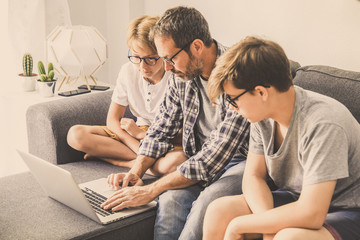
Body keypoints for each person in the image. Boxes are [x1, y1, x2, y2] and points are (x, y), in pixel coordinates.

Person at [101, 6, 250, 240]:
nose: (167, 67)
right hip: (198, 157)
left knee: (208, 204)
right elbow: (161, 127)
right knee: (170, 200)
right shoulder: (182, 74)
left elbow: (216, 155)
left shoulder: (238, 72)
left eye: (170, 58)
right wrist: (136, 171)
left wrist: (151, 189)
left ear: (197, 46)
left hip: (241, 162)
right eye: (163, 59)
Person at [203, 36, 360, 240]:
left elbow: (312, 213)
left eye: (233, 99)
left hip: (348, 210)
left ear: (261, 92)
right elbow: (253, 177)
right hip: (300, 200)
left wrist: (238, 226)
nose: (232, 107)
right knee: (219, 211)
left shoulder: (323, 123)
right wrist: (267, 225)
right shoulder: (261, 117)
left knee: (288, 237)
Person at [67, 15, 184, 176]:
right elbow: (112, 120)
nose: (142, 66)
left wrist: (142, 135)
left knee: (177, 162)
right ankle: (145, 164)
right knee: (76, 135)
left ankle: (123, 162)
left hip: (165, 139)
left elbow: (183, 134)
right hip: (136, 135)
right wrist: (136, 144)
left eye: (150, 59)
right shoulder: (128, 71)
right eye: (136, 57)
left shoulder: (178, 77)